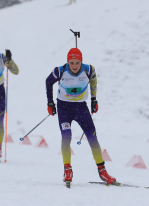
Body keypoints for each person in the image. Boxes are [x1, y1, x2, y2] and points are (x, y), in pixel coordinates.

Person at [45, 47, 117, 187]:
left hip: (81, 108)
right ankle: (67, 170)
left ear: (81, 61)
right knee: (66, 136)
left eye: (77, 62)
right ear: (67, 62)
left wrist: (94, 100)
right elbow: (48, 82)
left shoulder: (88, 70)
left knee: (92, 136)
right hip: (64, 108)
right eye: (71, 63)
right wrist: (50, 103)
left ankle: (102, 171)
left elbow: (94, 80)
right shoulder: (60, 71)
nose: (74, 66)